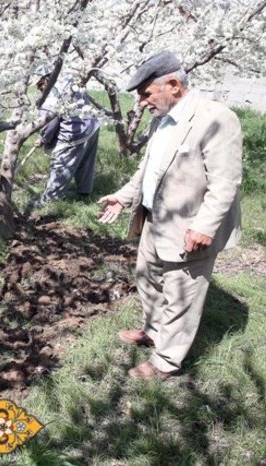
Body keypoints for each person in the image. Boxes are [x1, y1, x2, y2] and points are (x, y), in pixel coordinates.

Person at [97, 51, 242, 381]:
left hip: (189, 226)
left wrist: (204, 226)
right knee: (147, 277)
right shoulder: (161, 119)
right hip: (154, 218)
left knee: (181, 294)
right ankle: (153, 330)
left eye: (146, 94)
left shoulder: (216, 119)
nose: (142, 103)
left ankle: (166, 361)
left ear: (173, 85)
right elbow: (147, 169)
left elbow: (225, 182)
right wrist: (123, 198)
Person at [30, 66, 100, 209]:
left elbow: (50, 124)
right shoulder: (69, 83)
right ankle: (83, 192)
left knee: (61, 163)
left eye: (40, 84)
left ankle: (50, 200)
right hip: (92, 126)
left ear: (48, 79)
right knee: (84, 161)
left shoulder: (50, 98)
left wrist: (43, 139)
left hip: (74, 133)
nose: (38, 88)